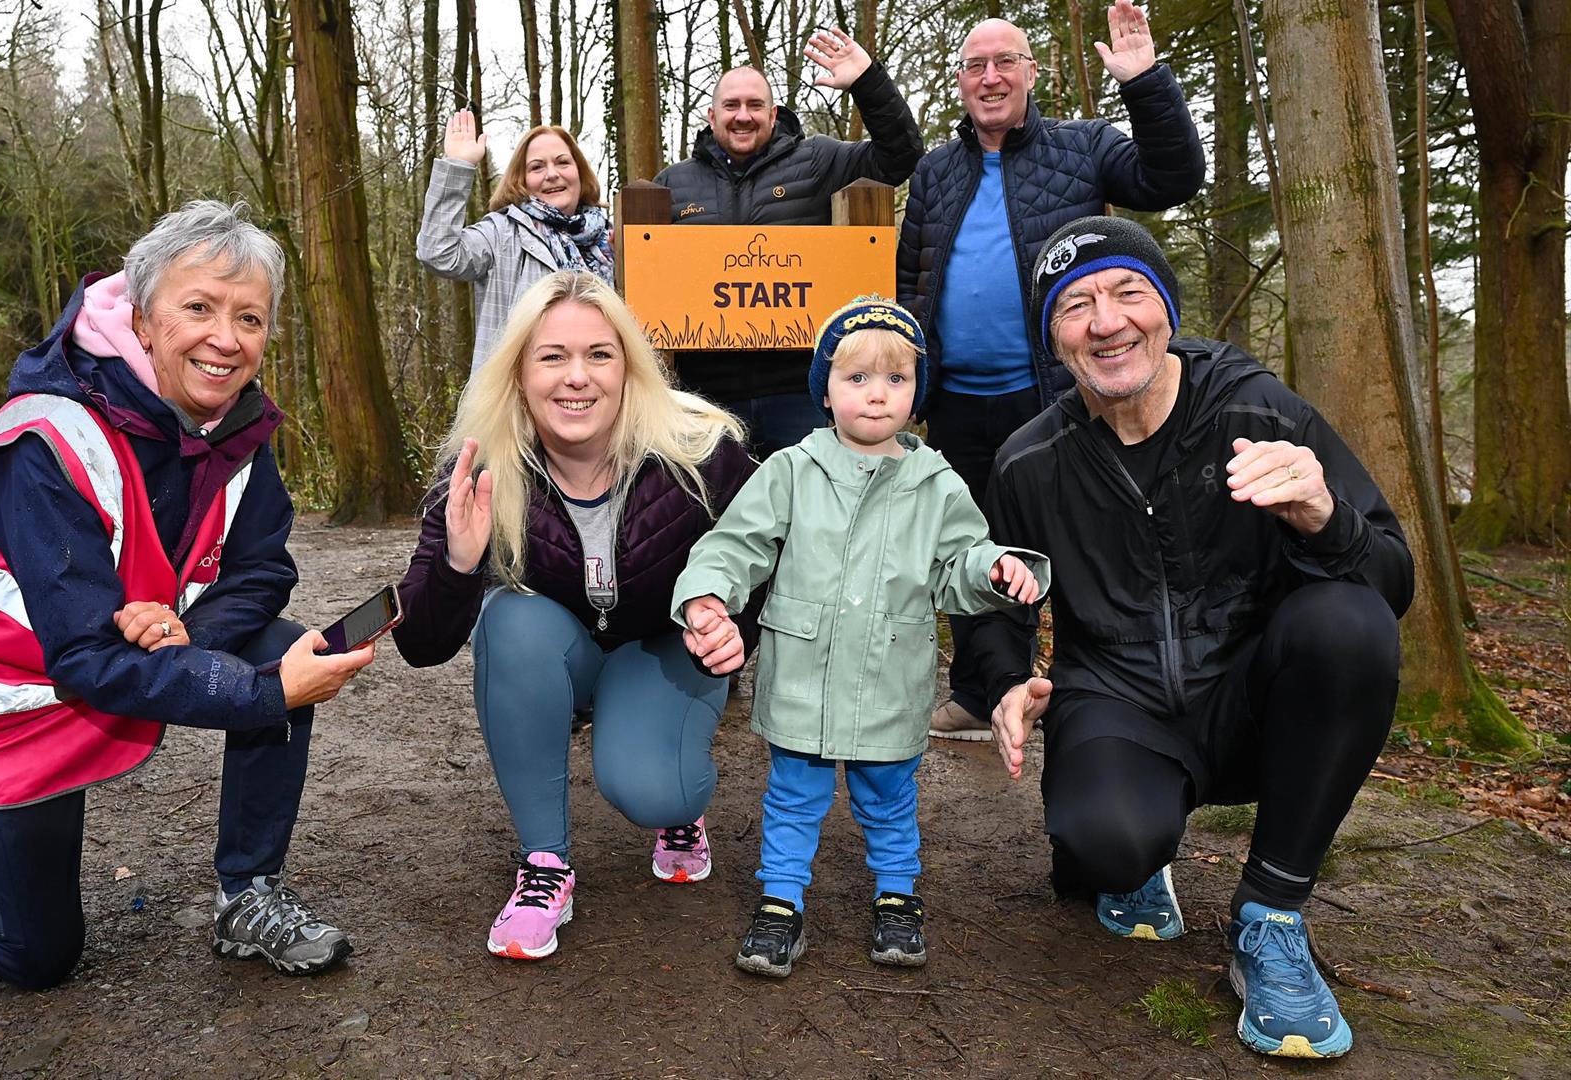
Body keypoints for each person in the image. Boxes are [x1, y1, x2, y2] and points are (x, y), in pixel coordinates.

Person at [0, 200, 376, 990]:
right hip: (6, 706)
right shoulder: (45, 440)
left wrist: (188, 630)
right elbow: (85, 656)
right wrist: (263, 695)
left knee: (282, 644)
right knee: (33, 957)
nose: (226, 339)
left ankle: (247, 894)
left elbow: (262, 569)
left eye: (250, 318)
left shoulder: (239, 432)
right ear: (143, 317)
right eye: (199, 308)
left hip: (113, 663)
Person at [979, 217, 1412, 1059]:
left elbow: (1392, 581)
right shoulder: (1030, 461)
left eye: (1128, 293)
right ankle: (1136, 855)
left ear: (1166, 311)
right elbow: (996, 598)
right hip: (1120, 700)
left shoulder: (1259, 409)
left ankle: (1271, 915)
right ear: (1054, 341)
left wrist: (1325, 521)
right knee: (1102, 847)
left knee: (1349, 621)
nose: (1107, 321)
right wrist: (1002, 678)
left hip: (1256, 699)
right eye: (1076, 306)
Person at [669, 297, 1049, 978]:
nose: (877, 395)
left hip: (888, 679)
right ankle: (781, 902)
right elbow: (736, 544)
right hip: (804, 680)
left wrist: (993, 569)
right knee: (793, 795)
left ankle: (897, 897)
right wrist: (707, 597)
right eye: (857, 379)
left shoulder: (935, 481)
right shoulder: (791, 469)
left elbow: (957, 566)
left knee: (890, 797)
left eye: (896, 381)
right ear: (825, 389)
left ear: (917, 393)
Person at [392, 271, 756, 961]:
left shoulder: (700, 452)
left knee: (657, 793)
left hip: (665, 648)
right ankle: (545, 866)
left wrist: (736, 619)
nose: (576, 378)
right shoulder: (479, 469)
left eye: (599, 354)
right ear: (520, 373)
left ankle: (680, 807)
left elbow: (770, 552)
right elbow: (420, 642)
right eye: (552, 357)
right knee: (509, 619)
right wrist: (458, 566)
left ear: (629, 367)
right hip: (563, 650)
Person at [895, 1, 1204, 741]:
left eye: (1006, 62)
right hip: (959, 402)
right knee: (970, 550)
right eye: (976, 66)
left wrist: (1145, 82)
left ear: (1032, 74)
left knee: (1083, 546)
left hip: (1060, 397)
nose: (991, 77)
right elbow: (913, 275)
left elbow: (1174, 177)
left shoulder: (1083, 146)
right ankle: (982, 691)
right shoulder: (935, 171)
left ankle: (1102, 696)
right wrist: (908, 374)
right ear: (962, 82)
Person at [654, 28, 923, 457]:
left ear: (773, 114)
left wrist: (866, 81)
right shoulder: (673, 183)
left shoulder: (817, 160)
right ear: (711, 115)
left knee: (809, 516)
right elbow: (654, 278)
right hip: (707, 396)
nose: (743, 115)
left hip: (799, 391)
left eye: (755, 105)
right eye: (732, 105)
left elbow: (901, 155)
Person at [417, 111, 613, 373]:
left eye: (563, 162)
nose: (552, 174)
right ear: (521, 182)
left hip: (594, 396)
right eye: (537, 167)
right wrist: (457, 167)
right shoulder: (502, 233)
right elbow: (439, 253)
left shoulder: (608, 241)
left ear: (580, 172)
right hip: (514, 404)